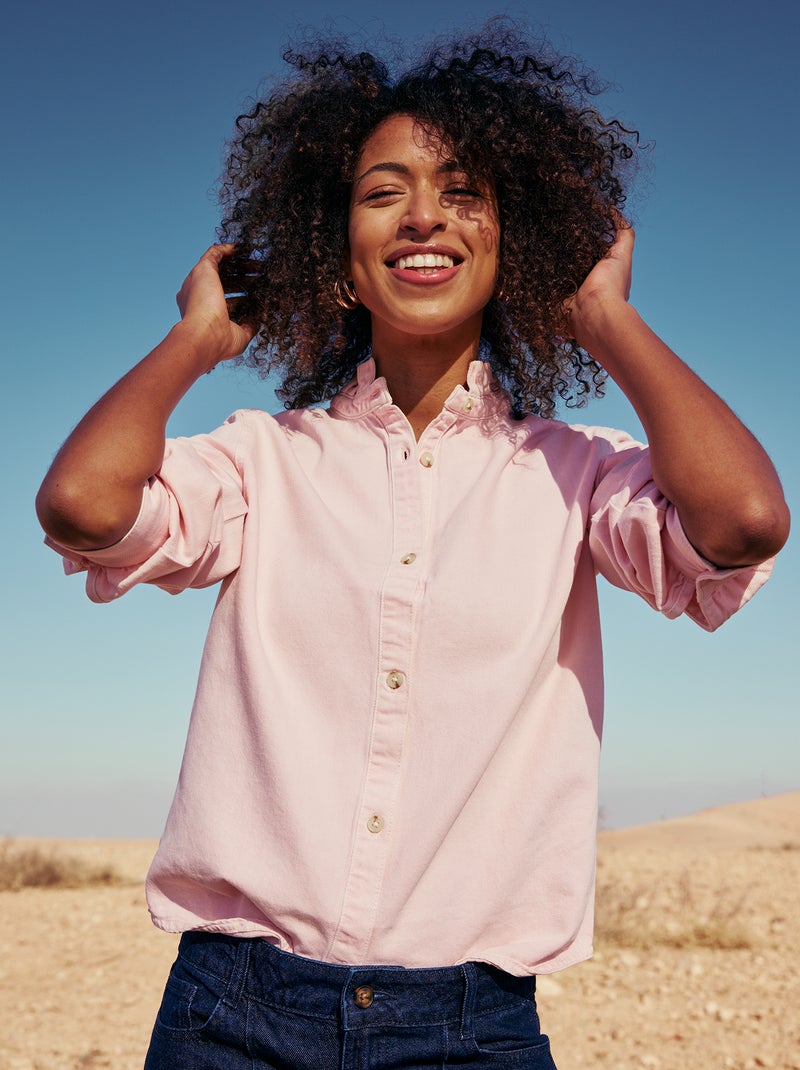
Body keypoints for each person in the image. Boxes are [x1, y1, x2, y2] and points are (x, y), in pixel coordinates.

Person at [36, 25, 789, 1070]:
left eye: (463, 190)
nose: (424, 214)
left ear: (509, 240)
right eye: (382, 191)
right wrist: (196, 341)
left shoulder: (577, 474)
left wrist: (607, 320)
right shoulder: (263, 462)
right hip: (230, 1013)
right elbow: (81, 504)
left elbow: (743, 521)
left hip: (469, 1027)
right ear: (335, 251)